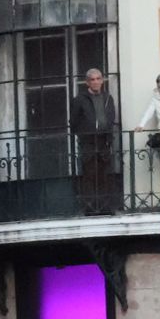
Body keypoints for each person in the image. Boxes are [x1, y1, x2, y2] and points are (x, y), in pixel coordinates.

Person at [70, 67, 120, 215]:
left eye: (99, 79)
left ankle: (105, 207)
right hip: (88, 142)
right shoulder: (80, 99)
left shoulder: (107, 98)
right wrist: (84, 133)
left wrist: (107, 132)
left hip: (104, 141)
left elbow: (111, 116)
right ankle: (90, 209)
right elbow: (73, 121)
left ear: (102, 81)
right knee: (89, 174)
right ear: (87, 82)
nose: (96, 82)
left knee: (104, 174)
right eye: (93, 79)